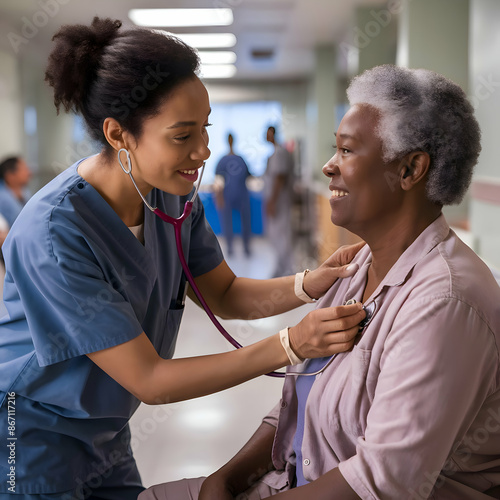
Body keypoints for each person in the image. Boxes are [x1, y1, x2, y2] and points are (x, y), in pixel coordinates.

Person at [0, 18, 368, 499]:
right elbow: (150, 379)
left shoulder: (172, 197)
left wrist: (308, 283)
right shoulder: (55, 233)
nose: (204, 151)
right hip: (29, 432)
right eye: (182, 135)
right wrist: (292, 344)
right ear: (118, 135)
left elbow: (226, 294)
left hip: (106, 427)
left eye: (206, 129)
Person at [140, 65, 500, 499]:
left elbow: (379, 484)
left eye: (347, 151)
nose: (329, 166)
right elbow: (296, 403)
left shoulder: (444, 304)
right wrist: (226, 478)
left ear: (409, 170)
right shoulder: (358, 268)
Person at [263, 126, 294, 277]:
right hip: (276, 200)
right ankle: (281, 267)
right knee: (276, 235)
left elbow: (279, 178)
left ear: (273, 134)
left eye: (268, 133)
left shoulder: (280, 152)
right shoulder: (275, 153)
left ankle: (287, 270)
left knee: (281, 234)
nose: (265, 136)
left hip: (280, 201)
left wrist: (272, 201)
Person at [215, 133, 252, 257]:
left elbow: (248, 176)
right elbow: (218, 181)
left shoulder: (240, 159)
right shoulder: (224, 161)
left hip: (241, 194)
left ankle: (246, 247)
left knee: (246, 221)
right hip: (228, 195)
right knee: (227, 222)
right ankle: (230, 248)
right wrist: (219, 196)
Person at [0, 156, 32, 241]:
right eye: (24, 169)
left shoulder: (25, 192)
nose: (29, 173)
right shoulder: (3, 199)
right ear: (10, 175)